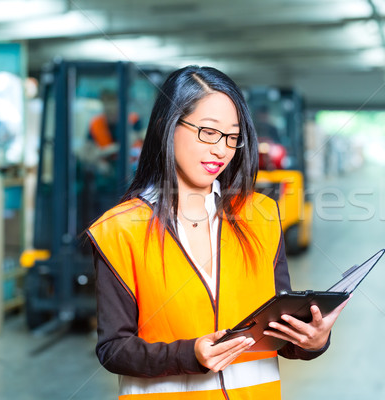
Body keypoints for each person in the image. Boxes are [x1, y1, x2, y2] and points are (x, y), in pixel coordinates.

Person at [86, 66, 348, 399]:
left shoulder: (261, 217)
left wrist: (313, 341)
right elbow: (114, 348)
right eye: (208, 132)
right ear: (168, 127)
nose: (221, 150)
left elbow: (278, 332)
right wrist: (188, 355)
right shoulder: (120, 230)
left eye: (232, 137)